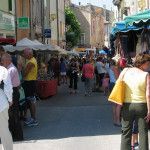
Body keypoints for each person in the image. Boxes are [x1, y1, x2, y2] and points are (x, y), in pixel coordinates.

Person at [120, 53, 150, 150]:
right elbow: (148, 94)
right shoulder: (146, 74)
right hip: (142, 105)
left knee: (126, 132)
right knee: (143, 132)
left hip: (127, 105)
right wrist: (149, 111)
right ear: (142, 63)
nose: (148, 66)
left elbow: (119, 85)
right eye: (148, 64)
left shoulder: (125, 71)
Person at [1, 53, 24, 141]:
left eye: (2, 60)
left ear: (7, 60)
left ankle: (18, 136)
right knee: (11, 116)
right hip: (12, 92)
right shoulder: (9, 68)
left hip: (12, 93)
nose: (2, 62)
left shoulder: (10, 70)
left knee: (13, 116)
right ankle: (15, 135)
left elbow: (5, 83)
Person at [23, 48, 38, 127]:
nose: (23, 55)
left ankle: (34, 119)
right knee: (30, 101)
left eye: (24, 53)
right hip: (30, 82)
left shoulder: (31, 62)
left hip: (30, 82)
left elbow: (24, 74)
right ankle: (32, 118)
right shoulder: (32, 60)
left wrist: (22, 68)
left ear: (29, 54)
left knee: (31, 101)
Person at [0, 65, 13, 150]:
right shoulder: (2, 70)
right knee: (4, 130)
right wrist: (10, 99)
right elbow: (8, 86)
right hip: (1, 103)